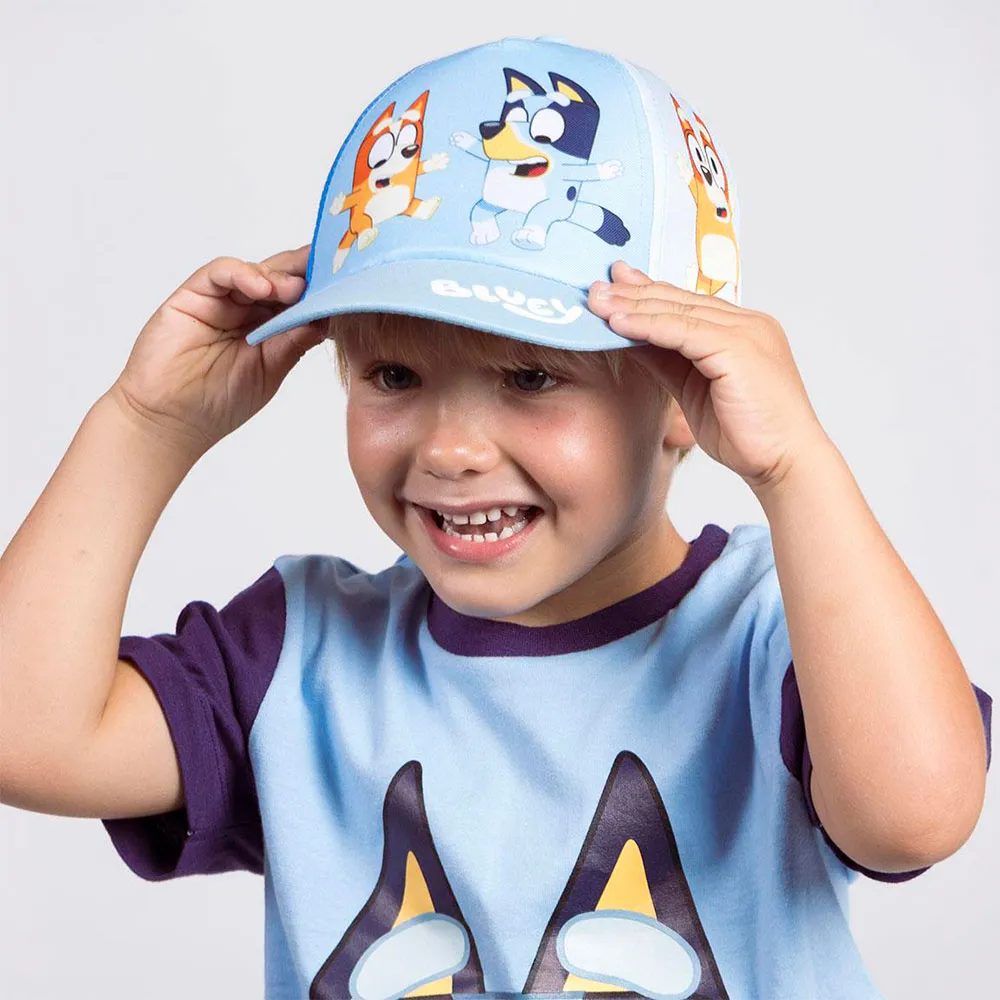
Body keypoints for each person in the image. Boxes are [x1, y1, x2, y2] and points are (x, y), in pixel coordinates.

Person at [0, 34, 992, 1000]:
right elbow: (27, 735)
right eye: (394, 375)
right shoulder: (302, 661)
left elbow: (915, 814)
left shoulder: (780, 627)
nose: (450, 450)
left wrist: (797, 465)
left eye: (530, 376)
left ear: (687, 393)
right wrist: (146, 426)